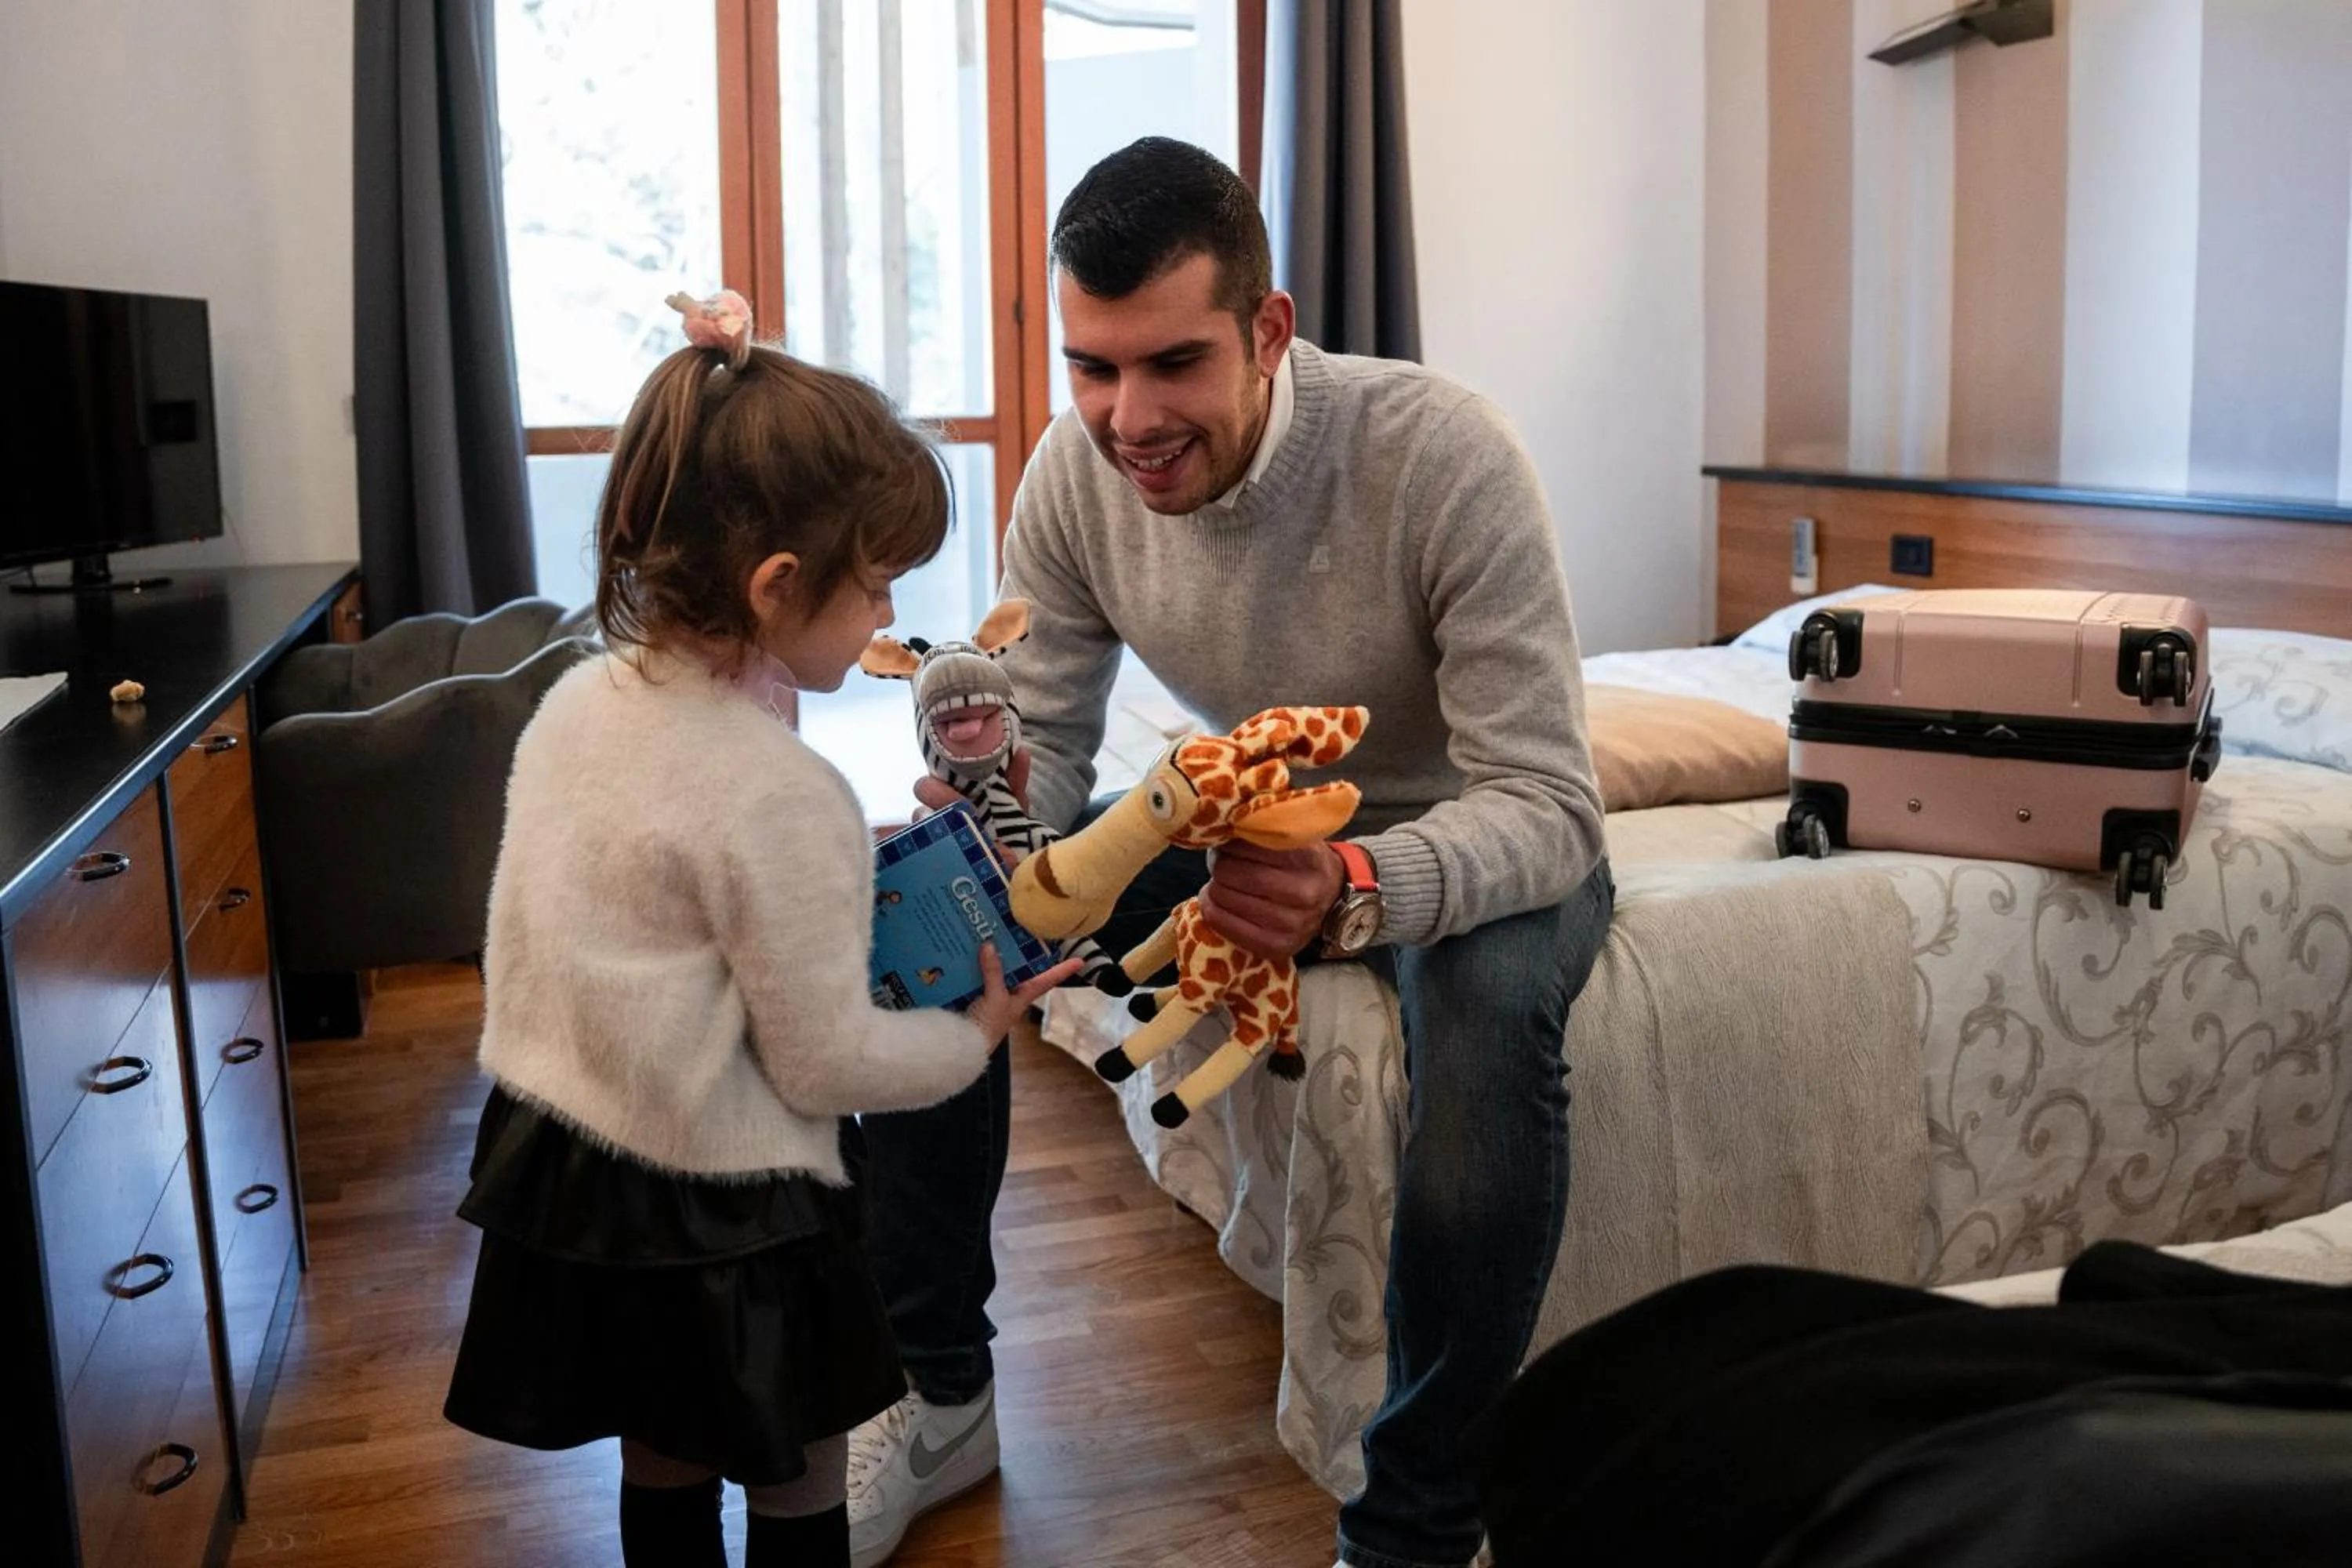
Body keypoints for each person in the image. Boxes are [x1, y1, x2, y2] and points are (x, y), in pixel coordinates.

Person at [851, 139, 1614, 1568]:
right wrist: (996, 806)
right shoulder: (1075, 479)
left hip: (1466, 827)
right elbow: (1060, 751)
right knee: (932, 920)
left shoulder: (1444, 456)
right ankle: (941, 1391)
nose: (1125, 417)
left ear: (1268, 332)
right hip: (1235, 809)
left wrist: (1362, 893)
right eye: (1092, 367)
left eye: (1171, 365)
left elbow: (1551, 803)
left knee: (1492, 1023)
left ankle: (1418, 1525)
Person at [441, 291, 1076, 1568]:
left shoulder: (573, 705)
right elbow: (824, 1063)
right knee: (794, 1473)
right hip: (730, 1196)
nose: (887, 618)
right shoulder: (782, 791)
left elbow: (570, 931)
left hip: (576, 1166)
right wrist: (974, 1033)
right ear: (779, 585)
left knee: (662, 1446)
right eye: (879, 587)